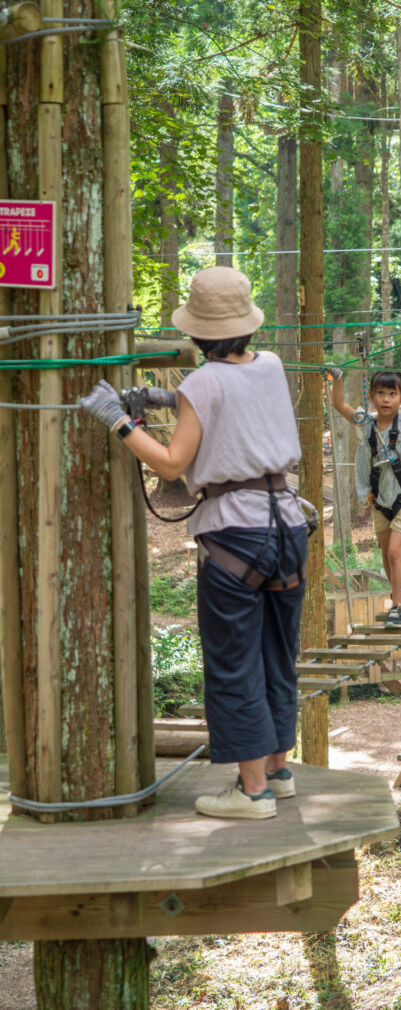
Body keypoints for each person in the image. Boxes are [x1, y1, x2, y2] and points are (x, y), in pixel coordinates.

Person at [80, 266, 309, 822]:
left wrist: (120, 421)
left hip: (235, 536)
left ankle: (250, 791)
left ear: (199, 331)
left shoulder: (204, 382)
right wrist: (169, 398)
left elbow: (174, 462)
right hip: (289, 528)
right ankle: (277, 772)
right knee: (278, 655)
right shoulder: (271, 365)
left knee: (233, 663)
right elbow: (241, 410)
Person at [329, 361, 401, 627]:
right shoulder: (366, 423)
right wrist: (336, 380)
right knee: (387, 555)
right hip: (380, 503)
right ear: (372, 396)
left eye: (391, 394)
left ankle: (398, 607)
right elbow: (340, 406)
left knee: (395, 553)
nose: (385, 399)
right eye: (380, 393)